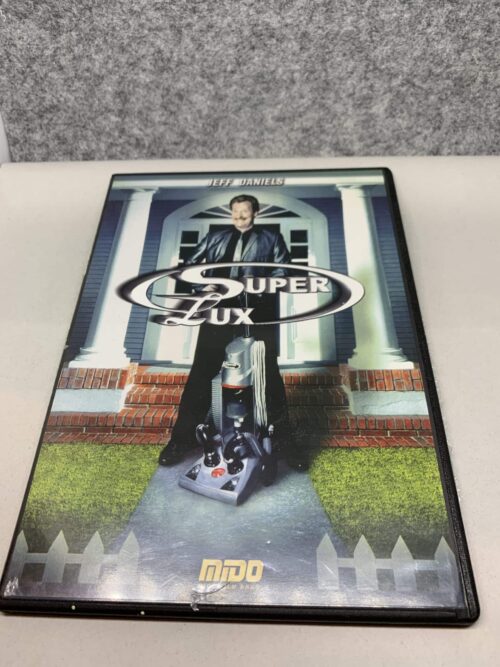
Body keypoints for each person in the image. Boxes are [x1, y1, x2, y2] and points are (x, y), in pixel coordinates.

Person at [158, 193, 308, 471]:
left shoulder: (271, 238)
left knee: (269, 377)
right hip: (218, 313)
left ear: (255, 213)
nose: (239, 216)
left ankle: (285, 443)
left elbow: (283, 273)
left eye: (245, 211)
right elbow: (188, 267)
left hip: (258, 313)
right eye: (235, 211)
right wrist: (203, 288)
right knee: (201, 374)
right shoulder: (215, 237)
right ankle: (180, 440)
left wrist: (257, 289)